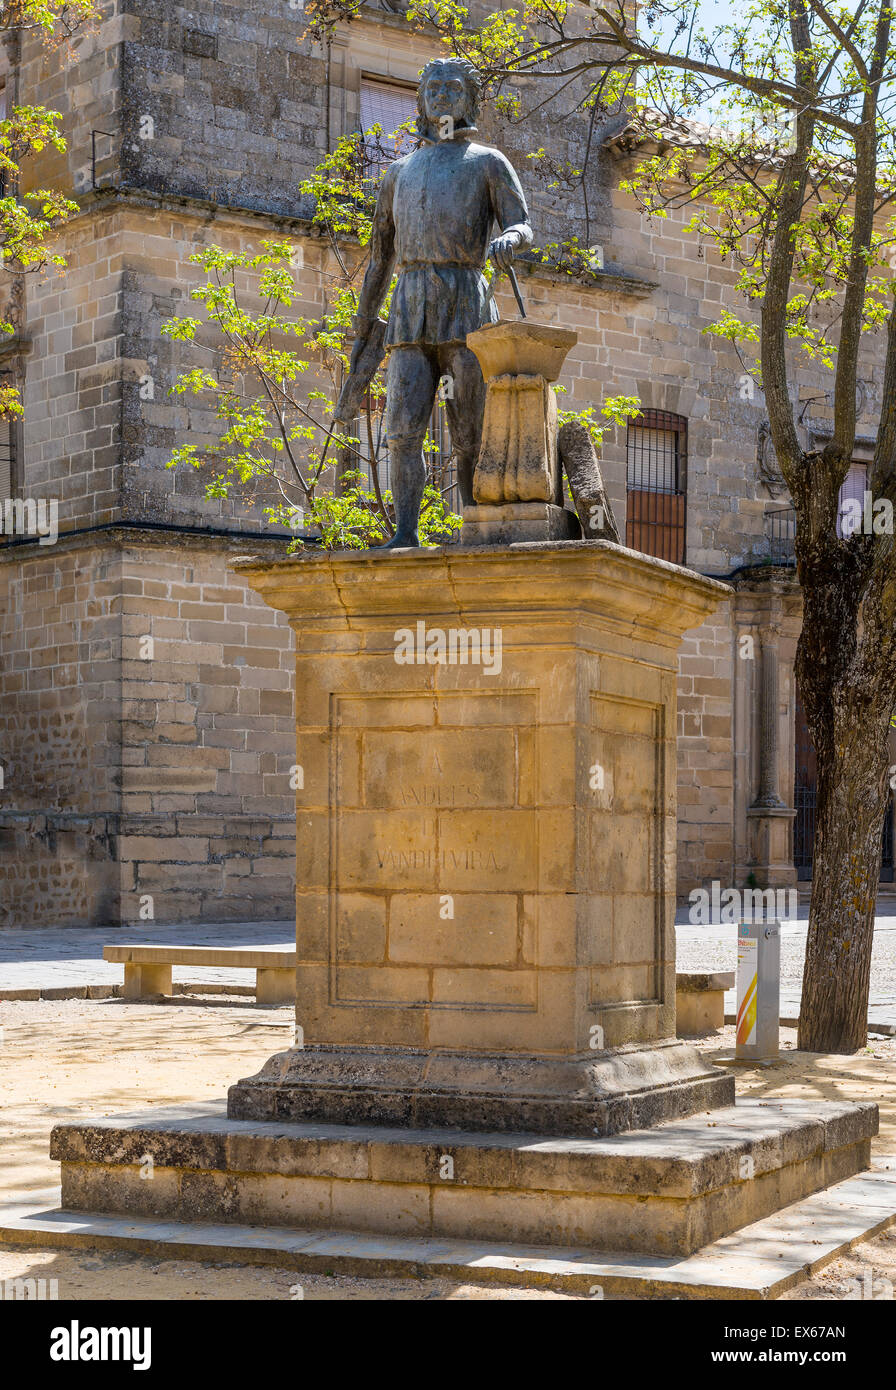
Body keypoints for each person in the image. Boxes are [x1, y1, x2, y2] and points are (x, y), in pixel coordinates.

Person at [349, 56, 533, 547]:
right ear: (422, 99)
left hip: (465, 305)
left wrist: (510, 239)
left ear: (470, 99)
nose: (443, 94)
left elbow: (522, 222)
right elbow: (377, 261)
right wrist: (364, 324)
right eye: (434, 86)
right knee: (402, 429)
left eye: (454, 86)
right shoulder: (397, 173)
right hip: (409, 309)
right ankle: (405, 533)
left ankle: (475, 529)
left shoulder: (488, 162)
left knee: (468, 429)